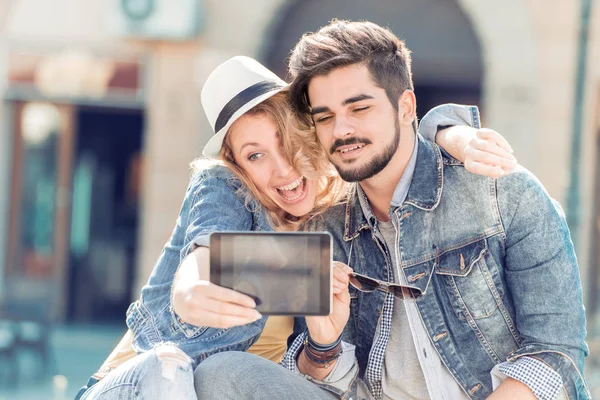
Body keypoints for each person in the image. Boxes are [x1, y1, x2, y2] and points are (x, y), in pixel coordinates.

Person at [76, 55, 517, 399]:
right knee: (171, 368)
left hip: (240, 389)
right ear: (236, 164)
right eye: (254, 155)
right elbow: (205, 245)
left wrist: (450, 132)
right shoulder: (225, 187)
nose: (282, 170)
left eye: (287, 143)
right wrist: (190, 288)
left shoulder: (341, 216)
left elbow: (397, 139)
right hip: (141, 385)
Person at [192, 21, 591, 400]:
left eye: (359, 108)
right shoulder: (324, 229)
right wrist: (323, 346)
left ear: (405, 108)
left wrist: (449, 129)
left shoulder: (504, 194)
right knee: (222, 373)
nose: (341, 130)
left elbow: (556, 353)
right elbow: (330, 382)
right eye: (325, 117)